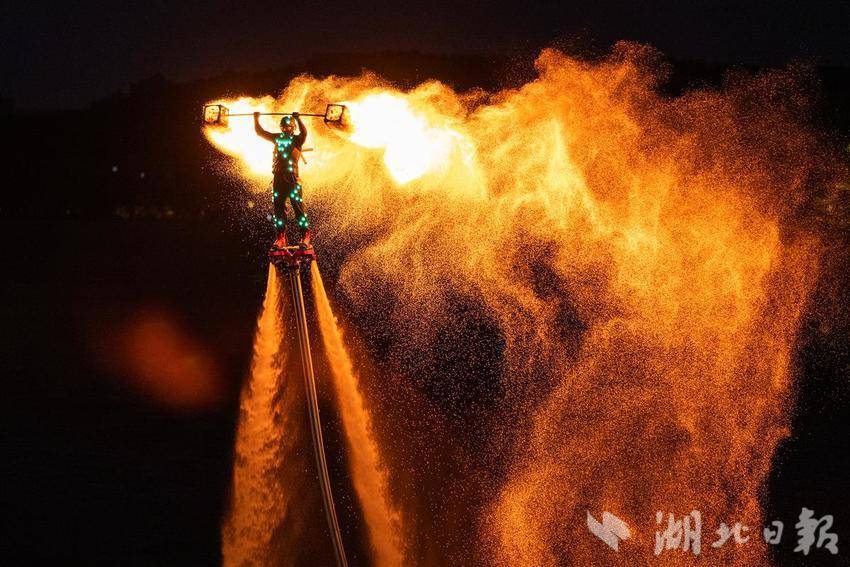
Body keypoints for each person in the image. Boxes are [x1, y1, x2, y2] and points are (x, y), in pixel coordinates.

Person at [253, 111, 310, 248]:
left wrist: (298, 119)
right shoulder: (277, 138)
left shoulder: (297, 140)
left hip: (292, 178)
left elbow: (304, 133)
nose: (285, 130)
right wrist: (256, 118)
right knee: (278, 209)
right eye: (283, 127)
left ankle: (305, 236)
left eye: (288, 127)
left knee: (298, 208)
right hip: (278, 178)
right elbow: (260, 132)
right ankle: (280, 237)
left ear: (293, 128)